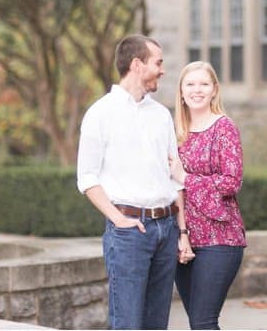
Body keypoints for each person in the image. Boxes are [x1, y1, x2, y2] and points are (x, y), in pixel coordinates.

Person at [76, 34, 189, 330]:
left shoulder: (161, 115)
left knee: (156, 325)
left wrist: (181, 231)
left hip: (165, 229)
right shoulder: (100, 114)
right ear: (137, 64)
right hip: (129, 233)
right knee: (127, 324)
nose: (163, 70)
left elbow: (174, 177)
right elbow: (86, 177)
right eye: (158, 63)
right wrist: (117, 219)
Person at [169, 61, 247, 330]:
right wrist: (181, 235)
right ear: (181, 91)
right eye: (190, 84)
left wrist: (187, 178)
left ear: (215, 90)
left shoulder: (224, 127)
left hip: (220, 238)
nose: (197, 90)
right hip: (183, 239)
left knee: (203, 321)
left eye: (204, 84)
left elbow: (231, 182)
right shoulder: (174, 132)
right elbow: (170, 187)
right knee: (197, 322)